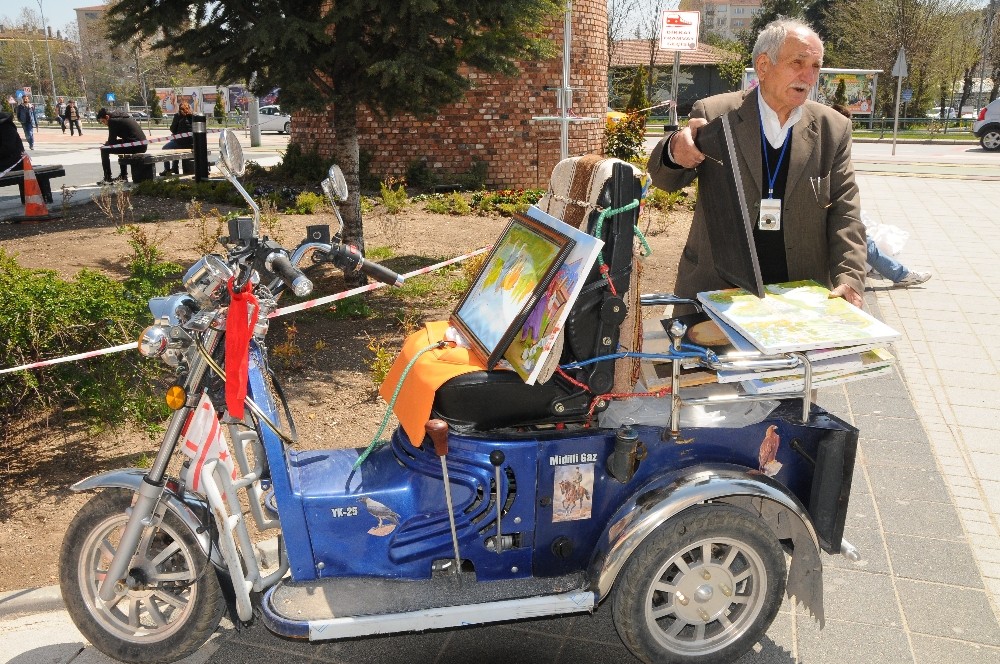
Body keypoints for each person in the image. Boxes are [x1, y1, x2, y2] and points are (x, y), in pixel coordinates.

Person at [649, 19, 866, 308]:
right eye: (798, 62)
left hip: (799, 295)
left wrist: (849, 278)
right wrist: (675, 151)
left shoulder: (833, 128)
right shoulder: (715, 113)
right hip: (716, 289)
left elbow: (846, 212)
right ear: (763, 66)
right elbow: (664, 179)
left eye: (815, 66)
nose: (809, 76)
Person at [829, 104, 932, 288]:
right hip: (827, 207)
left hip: (833, 206)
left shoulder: (832, 141)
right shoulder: (826, 143)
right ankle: (900, 274)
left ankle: (900, 274)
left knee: (863, 240)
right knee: (861, 240)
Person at [96, 107, 147, 184]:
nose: (104, 124)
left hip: (136, 145)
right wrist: (109, 143)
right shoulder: (121, 117)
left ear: (107, 117)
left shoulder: (112, 121)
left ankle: (107, 178)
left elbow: (112, 141)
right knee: (118, 145)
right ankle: (123, 176)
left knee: (104, 150)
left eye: (103, 121)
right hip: (140, 144)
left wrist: (106, 144)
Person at [161, 101, 193, 175]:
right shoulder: (192, 116)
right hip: (191, 143)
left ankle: (168, 169)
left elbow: (173, 129)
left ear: (179, 109)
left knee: (165, 148)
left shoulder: (178, 116)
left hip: (181, 142)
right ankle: (174, 168)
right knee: (175, 146)